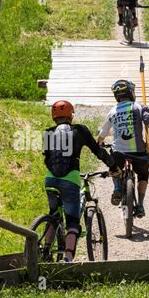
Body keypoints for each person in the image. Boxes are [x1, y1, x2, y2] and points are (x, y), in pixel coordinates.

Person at [43, 100, 114, 262]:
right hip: (71, 180)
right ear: (71, 115)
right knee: (72, 221)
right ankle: (68, 258)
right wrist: (113, 166)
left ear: (53, 117)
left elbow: (48, 159)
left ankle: (45, 250)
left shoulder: (48, 133)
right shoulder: (80, 131)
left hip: (50, 180)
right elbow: (98, 151)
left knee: (53, 214)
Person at [97, 80, 149, 218]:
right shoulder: (139, 106)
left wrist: (99, 143)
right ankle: (140, 204)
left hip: (119, 152)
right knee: (143, 174)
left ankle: (117, 187)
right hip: (138, 151)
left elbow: (103, 134)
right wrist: (147, 118)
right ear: (131, 92)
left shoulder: (112, 111)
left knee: (114, 168)